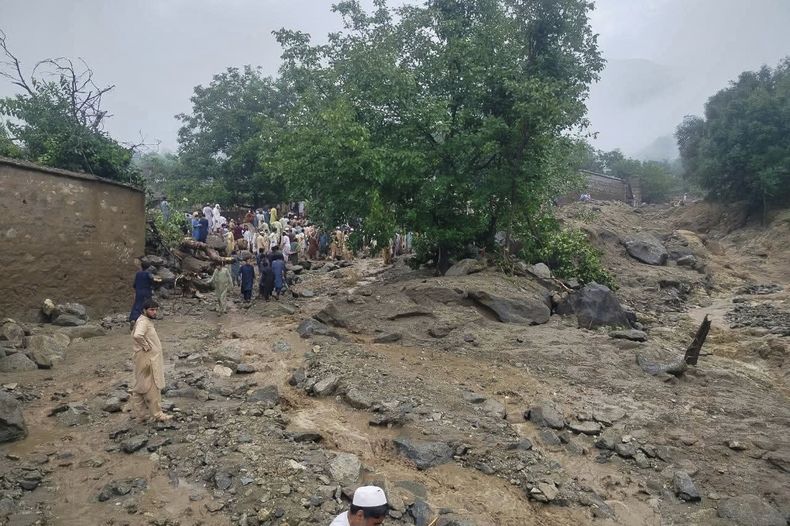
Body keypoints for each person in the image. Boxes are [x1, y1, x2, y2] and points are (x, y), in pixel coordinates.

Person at [131, 299, 171, 422]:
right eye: (151, 310)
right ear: (144, 310)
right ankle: (157, 414)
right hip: (148, 359)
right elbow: (137, 335)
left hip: (142, 358)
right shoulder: (144, 322)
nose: (154, 312)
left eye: (155, 310)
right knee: (152, 386)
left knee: (140, 386)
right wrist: (146, 345)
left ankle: (141, 415)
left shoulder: (143, 320)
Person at [129, 261, 160, 328]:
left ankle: (133, 319)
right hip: (146, 292)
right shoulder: (148, 274)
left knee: (137, 305)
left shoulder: (138, 274)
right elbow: (153, 280)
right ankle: (147, 321)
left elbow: (134, 285)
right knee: (148, 306)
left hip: (138, 292)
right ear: (148, 267)